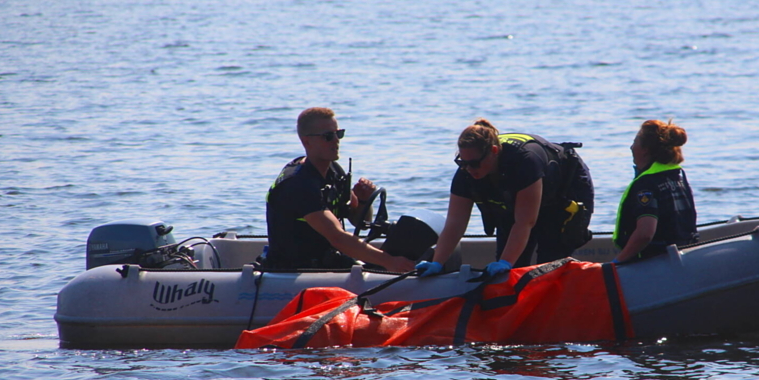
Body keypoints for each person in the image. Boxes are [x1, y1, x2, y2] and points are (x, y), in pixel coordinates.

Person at [417, 119, 594, 278]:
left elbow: (525, 222)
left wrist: (505, 263)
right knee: (509, 270)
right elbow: (455, 224)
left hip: (563, 192)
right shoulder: (466, 173)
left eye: (474, 163)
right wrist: (437, 262)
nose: (469, 169)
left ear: (494, 151)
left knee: (549, 262)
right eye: (462, 163)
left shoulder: (524, 162)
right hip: (516, 201)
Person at [264, 107, 415, 273]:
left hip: (328, 260)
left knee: (411, 234)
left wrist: (364, 200)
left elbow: (359, 222)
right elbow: (337, 237)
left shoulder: (333, 170)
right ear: (307, 141)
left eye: (339, 134)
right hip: (295, 269)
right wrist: (390, 262)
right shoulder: (298, 184)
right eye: (328, 136)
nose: (336, 140)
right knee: (386, 263)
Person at [612, 119, 699, 264]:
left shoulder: (646, 184)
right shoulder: (677, 175)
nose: (631, 147)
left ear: (645, 149)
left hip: (655, 262)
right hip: (684, 255)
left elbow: (645, 234)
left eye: (635, 142)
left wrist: (616, 263)